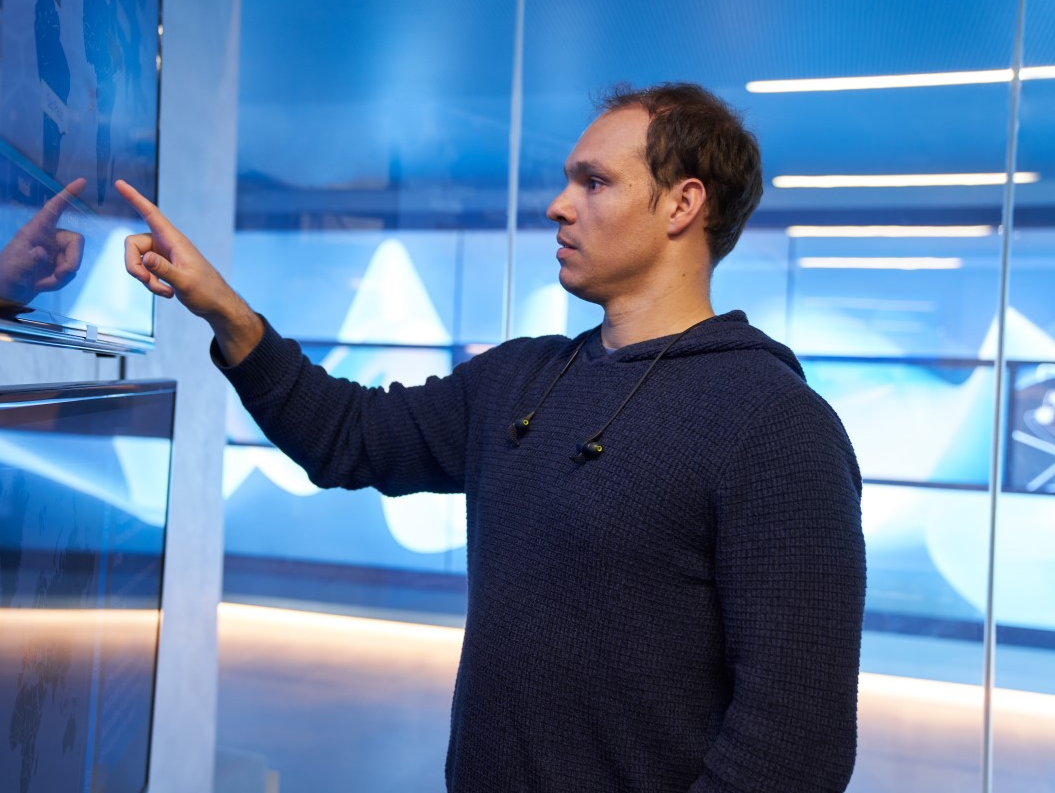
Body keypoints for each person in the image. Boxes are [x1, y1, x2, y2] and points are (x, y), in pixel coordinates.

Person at [116, 82, 866, 793]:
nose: (557, 206)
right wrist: (225, 312)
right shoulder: (521, 380)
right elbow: (348, 436)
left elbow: (793, 744)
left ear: (681, 204)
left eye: (593, 183)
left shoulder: (777, 427)